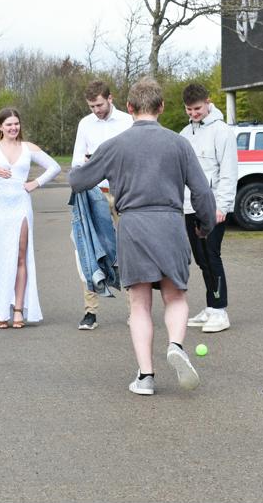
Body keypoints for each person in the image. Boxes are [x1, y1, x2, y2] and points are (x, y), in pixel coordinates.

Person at [68, 77, 217, 396]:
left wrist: (92, 164)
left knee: (139, 305)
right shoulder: (179, 144)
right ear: (162, 107)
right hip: (170, 224)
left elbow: (78, 179)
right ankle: (175, 345)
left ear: (130, 108)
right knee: (175, 296)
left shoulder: (116, 145)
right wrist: (205, 226)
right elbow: (202, 192)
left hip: (133, 226)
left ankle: (146, 377)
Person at [0, 108, 61, 329]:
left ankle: (19, 309)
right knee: (2, 256)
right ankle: (2, 311)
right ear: (0, 126)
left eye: (16, 124)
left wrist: (35, 183)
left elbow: (54, 167)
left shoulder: (28, 148)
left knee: (21, 255)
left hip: (20, 204)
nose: (13, 128)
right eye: (9, 124)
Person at [71, 80, 134, 331]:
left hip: (124, 194)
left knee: (128, 252)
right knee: (88, 250)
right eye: (91, 106)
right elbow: (78, 162)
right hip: (94, 192)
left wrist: (97, 160)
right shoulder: (85, 124)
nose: (96, 110)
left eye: (99, 104)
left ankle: (135, 311)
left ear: (110, 98)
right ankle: (90, 312)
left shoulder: (128, 122)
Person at [179, 83, 238, 333]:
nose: (193, 113)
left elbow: (228, 172)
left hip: (213, 207)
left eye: (197, 108)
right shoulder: (184, 134)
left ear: (208, 102)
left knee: (212, 256)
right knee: (201, 259)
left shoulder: (223, 132)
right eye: (189, 109)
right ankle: (211, 307)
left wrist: (222, 205)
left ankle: (220, 310)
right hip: (189, 207)